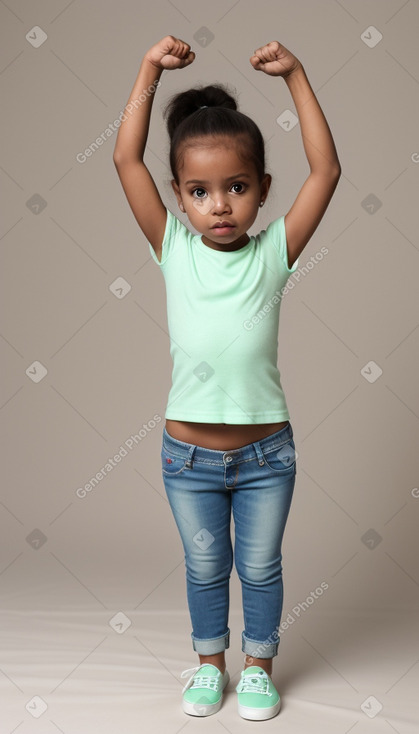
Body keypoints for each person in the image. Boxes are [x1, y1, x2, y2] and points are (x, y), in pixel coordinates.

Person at [113, 34, 341, 721]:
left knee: (262, 569)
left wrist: (297, 74)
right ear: (179, 198)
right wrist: (148, 69)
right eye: (201, 191)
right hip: (187, 457)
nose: (219, 205)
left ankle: (260, 667)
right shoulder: (172, 250)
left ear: (261, 191)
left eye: (236, 188)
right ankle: (210, 664)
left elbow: (326, 172)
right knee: (207, 569)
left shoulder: (274, 253)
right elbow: (126, 158)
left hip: (268, 455)